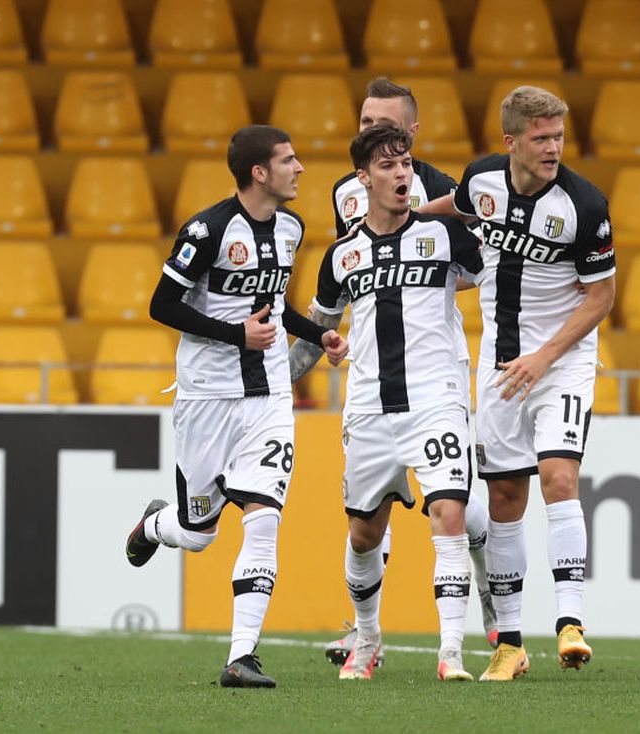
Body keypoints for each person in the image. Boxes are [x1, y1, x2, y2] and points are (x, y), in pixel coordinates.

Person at [124, 125, 348, 688]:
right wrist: (234, 335)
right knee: (199, 535)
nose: (299, 168)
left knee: (264, 519)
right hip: (206, 397)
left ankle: (241, 657)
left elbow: (270, 306)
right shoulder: (209, 230)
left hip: (269, 396)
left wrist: (314, 334)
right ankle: (156, 525)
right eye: (288, 160)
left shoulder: (292, 228)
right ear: (259, 172)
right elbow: (161, 304)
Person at [416, 86, 615, 681]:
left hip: (563, 361)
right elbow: (459, 205)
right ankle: (507, 643)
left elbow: (602, 296)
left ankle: (571, 622)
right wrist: (403, 219)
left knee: (558, 475)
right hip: (500, 365)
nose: (553, 147)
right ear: (511, 142)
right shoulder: (482, 180)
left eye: (558, 136)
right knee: (504, 499)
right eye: (541, 137)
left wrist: (545, 356)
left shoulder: (585, 204)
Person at [290, 124, 485, 681]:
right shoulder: (342, 255)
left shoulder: (446, 235)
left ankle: (451, 653)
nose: (401, 173)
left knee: (447, 512)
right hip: (370, 407)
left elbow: (489, 280)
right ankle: (369, 637)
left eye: (405, 163)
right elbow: (322, 326)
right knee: (364, 534)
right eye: (387, 165)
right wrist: (282, 377)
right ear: (363, 179)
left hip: (436, 398)